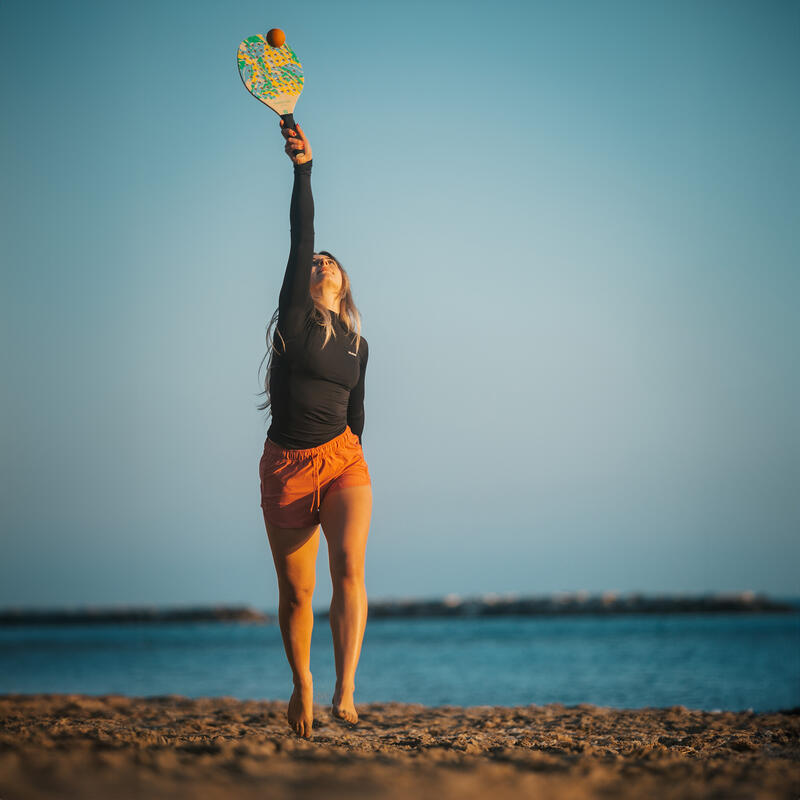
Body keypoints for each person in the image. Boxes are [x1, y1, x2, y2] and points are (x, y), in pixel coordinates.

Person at [256, 120, 372, 739]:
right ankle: (302, 686)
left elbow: (358, 416)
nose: (323, 262)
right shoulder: (295, 323)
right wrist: (304, 168)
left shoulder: (358, 344)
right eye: (317, 261)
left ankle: (345, 691)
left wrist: (351, 458)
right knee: (297, 595)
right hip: (287, 467)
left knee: (349, 563)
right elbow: (303, 233)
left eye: (333, 262)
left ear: (344, 284)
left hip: (344, 460)